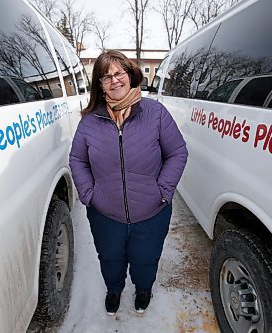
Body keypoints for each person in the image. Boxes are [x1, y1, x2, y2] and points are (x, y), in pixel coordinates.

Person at [69, 50, 188, 316]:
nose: (114, 80)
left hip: (151, 212)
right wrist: (89, 194)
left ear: (130, 74)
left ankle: (143, 290)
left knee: (145, 260)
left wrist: (163, 190)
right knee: (110, 260)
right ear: (99, 85)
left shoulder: (154, 112)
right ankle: (114, 290)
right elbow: (77, 159)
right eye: (106, 76)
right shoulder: (90, 120)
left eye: (118, 73)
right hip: (105, 213)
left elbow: (177, 152)